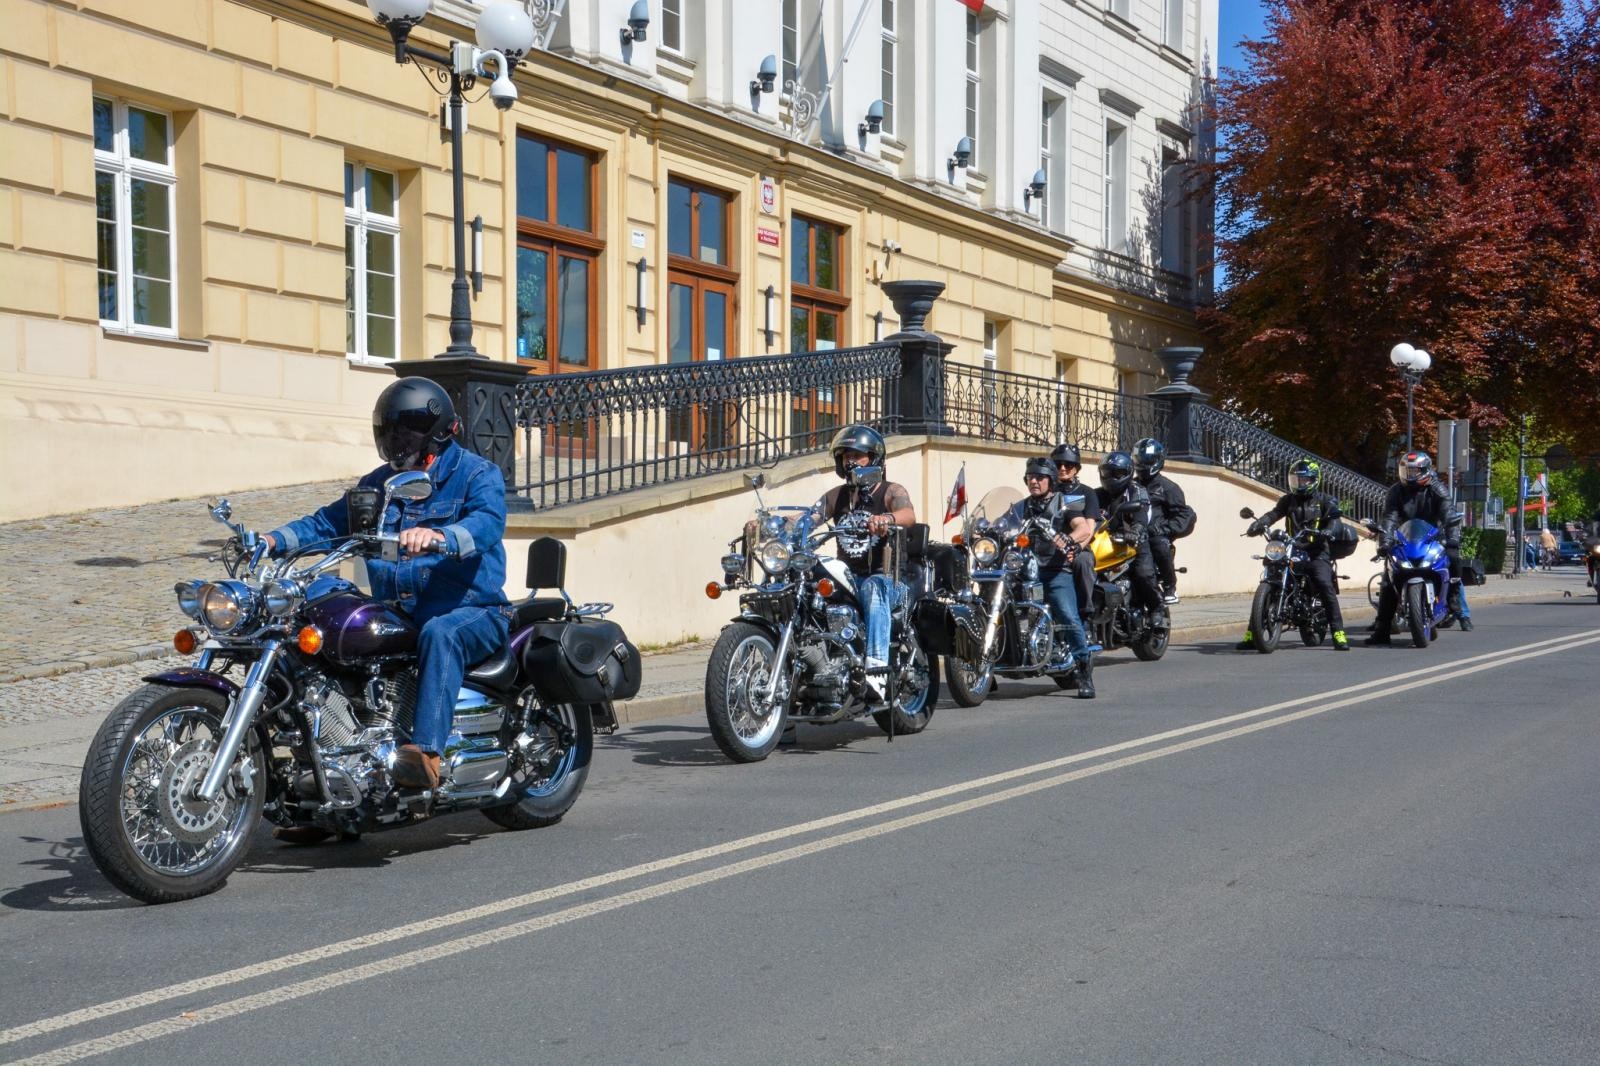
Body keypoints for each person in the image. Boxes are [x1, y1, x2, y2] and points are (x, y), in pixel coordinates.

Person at [265, 377, 510, 808]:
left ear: (437, 432)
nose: (398, 440)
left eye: (408, 431)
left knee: (441, 632)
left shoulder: (475, 474)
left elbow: (487, 524)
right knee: (320, 610)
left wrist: (441, 536)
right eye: (392, 430)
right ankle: (322, 771)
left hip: (472, 609)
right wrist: (271, 540)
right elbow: (325, 524)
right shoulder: (377, 484)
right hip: (398, 610)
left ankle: (426, 755)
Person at [808, 425, 916, 703]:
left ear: (874, 458)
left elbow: (907, 514)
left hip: (887, 579)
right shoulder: (836, 496)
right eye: (846, 456)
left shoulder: (890, 491)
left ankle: (877, 672)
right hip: (849, 578)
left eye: (858, 455)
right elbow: (808, 519)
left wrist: (888, 519)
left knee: (873, 587)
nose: (850, 461)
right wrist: (776, 528)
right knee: (809, 592)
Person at [1235, 458, 1350, 652]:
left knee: (1323, 583)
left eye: (1304, 480)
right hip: (1292, 548)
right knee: (1270, 575)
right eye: (1296, 480)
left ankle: (1338, 633)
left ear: (1314, 480)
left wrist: (1329, 530)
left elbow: (1335, 519)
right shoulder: (1288, 500)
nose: (1300, 483)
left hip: (1316, 552)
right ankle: (1252, 635)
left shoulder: (1325, 500)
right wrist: (1260, 523)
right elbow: (1274, 514)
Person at [1004, 457, 1095, 698]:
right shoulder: (1020, 507)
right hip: (1024, 572)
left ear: (1051, 480)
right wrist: (981, 530)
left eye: (1039, 477)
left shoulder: (1064, 503)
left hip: (1054, 571)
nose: (1034, 481)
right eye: (1030, 477)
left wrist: (1069, 538)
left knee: (1067, 615)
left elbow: (1083, 528)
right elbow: (1001, 525)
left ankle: (1084, 671)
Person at [1366, 451, 1468, 644]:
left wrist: (1453, 540)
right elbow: (1389, 518)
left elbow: (1449, 515)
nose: (1409, 475)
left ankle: (1453, 595)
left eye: (1414, 471)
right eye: (1406, 470)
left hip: (1433, 537)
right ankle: (1382, 628)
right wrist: (1385, 542)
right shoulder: (1396, 491)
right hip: (1405, 538)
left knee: (1453, 558)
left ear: (1425, 470)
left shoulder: (1437, 489)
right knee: (1389, 578)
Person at [1097, 451, 1165, 627]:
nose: (1111, 477)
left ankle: (1157, 606)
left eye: (1117, 473)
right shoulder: (1096, 495)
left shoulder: (1137, 491)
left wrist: (1135, 529)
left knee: (1143, 573)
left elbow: (1142, 512)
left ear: (1127, 473)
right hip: (1105, 543)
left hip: (1133, 543)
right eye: (1106, 472)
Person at [1132, 438, 1196, 604]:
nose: (1142, 464)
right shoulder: (1131, 485)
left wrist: (1164, 528)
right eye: (1139, 459)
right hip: (1132, 532)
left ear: (1157, 461)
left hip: (1155, 534)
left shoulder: (1168, 488)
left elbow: (1184, 515)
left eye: (1146, 460)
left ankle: (1170, 587)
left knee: (1160, 543)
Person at [1051, 443, 1100, 620]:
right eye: (1058, 465)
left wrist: (1077, 548)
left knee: (1082, 562)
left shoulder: (1087, 492)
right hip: (1048, 545)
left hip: (1077, 544)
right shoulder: (1048, 491)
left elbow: (1089, 527)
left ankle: (1085, 613)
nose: (1062, 469)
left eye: (1068, 465)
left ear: (1076, 468)